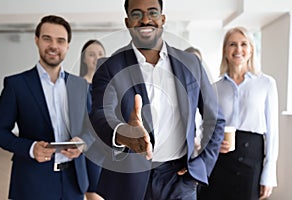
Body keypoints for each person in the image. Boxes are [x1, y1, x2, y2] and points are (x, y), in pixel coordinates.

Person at [90, 0, 225, 199]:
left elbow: (214, 119)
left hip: (179, 180)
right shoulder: (110, 67)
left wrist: (201, 166)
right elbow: (100, 114)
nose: (145, 19)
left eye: (152, 12)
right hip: (128, 182)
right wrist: (123, 133)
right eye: (136, 14)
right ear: (127, 22)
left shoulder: (191, 63)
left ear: (162, 19)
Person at [0, 15, 93, 200]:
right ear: (37, 40)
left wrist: (83, 142)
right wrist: (30, 148)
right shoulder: (16, 85)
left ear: (68, 46)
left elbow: (92, 127)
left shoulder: (80, 85)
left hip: (73, 184)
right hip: (32, 184)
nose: (54, 46)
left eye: (60, 40)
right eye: (47, 38)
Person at [198, 26, 279, 200]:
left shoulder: (266, 84)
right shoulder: (215, 88)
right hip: (219, 161)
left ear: (251, 50)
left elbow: (273, 133)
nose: (238, 49)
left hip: (252, 161)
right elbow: (207, 127)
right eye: (232, 44)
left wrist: (269, 174)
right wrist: (213, 143)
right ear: (225, 51)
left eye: (244, 44)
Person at [79, 39, 105, 200]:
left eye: (100, 54)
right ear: (84, 58)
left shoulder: (111, 86)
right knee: (94, 193)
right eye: (91, 55)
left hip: (110, 150)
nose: (96, 58)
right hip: (89, 149)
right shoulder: (76, 86)